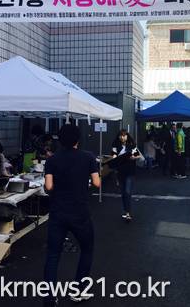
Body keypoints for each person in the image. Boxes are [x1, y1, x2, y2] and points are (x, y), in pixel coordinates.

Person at [43, 124, 100, 306]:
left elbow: (49, 186)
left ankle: (49, 298)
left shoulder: (52, 160)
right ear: (78, 139)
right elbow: (97, 183)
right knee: (87, 249)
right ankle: (78, 290)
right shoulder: (88, 157)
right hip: (80, 212)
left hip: (57, 212)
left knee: (53, 255)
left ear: (59, 140)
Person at [111, 129, 141, 220]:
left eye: (124, 135)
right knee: (123, 193)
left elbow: (138, 155)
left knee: (127, 192)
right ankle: (126, 210)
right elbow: (113, 154)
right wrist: (115, 158)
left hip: (130, 171)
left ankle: (128, 213)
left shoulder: (131, 145)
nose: (122, 137)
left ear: (127, 136)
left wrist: (133, 157)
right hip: (120, 172)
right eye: (120, 135)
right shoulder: (115, 145)